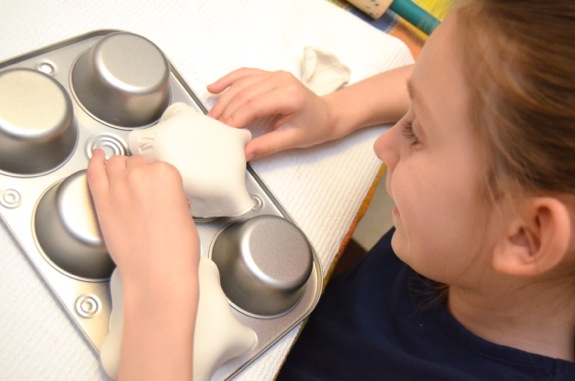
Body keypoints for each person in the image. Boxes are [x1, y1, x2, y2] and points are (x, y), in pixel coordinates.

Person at [87, 0, 575, 379]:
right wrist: (339, 111)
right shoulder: (488, 254)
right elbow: (445, 78)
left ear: (526, 237)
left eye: (417, 132)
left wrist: (162, 288)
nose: (386, 144)